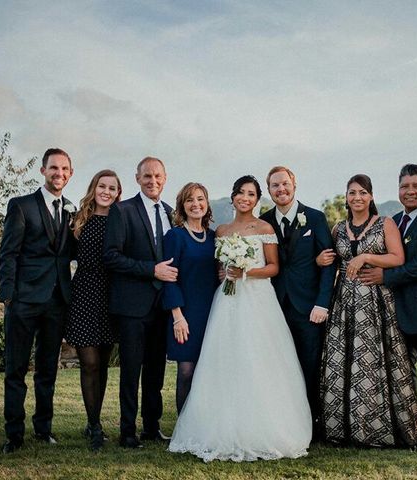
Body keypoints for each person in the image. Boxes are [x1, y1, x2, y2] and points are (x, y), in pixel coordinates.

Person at [169, 175, 312, 462]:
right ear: (233, 196)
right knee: (224, 360)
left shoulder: (264, 227)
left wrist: (245, 272)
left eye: (251, 194)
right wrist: (226, 273)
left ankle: (262, 426)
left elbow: (273, 267)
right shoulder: (220, 231)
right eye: (240, 193)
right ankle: (219, 424)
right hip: (227, 300)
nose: (244, 198)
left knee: (258, 360)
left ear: (258, 200)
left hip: (258, 301)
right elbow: (218, 268)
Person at [320, 173, 417, 447]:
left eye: (362, 192)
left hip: (378, 302)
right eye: (352, 192)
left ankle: (377, 430)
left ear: (371, 196)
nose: (357, 197)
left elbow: (398, 258)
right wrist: (320, 259)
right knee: (343, 362)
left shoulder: (384, 224)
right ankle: (343, 430)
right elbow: (332, 260)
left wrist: (366, 256)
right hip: (344, 303)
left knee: (374, 362)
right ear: (346, 197)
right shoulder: (338, 229)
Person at [357, 164, 417, 450]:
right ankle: (405, 427)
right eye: (405, 186)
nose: (410, 191)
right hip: (392, 310)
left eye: (416, 186)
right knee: (399, 372)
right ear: (398, 190)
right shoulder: (393, 221)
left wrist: (386, 276)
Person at [0, 148, 75, 454]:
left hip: (57, 301)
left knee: (48, 370)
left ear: (70, 173)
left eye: (65, 169)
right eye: (54, 168)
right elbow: (8, 254)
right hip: (24, 301)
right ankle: (14, 435)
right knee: (15, 369)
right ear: (43, 171)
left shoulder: (70, 211)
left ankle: (43, 429)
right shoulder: (21, 206)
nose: (59, 173)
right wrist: (8, 296)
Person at [103, 157, 177, 449]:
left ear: (165, 177)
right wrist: (150, 269)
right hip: (132, 307)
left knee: (156, 371)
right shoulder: (122, 211)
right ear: (137, 178)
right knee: (131, 371)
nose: (152, 181)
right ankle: (127, 431)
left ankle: (151, 426)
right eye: (147, 176)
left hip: (162, 306)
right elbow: (111, 256)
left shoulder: (172, 214)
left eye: (157, 176)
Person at [259, 166, 336, 439]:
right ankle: (283, 420)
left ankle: (313, 425)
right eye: (274, 186)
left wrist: (322, 303)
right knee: (279, 366)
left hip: (308, 308)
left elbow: (329, 262)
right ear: (269, 191)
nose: (280, 189)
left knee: (310, 365)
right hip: (274, 306)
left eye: (284, 184)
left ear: (294, 184)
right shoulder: (264, 221)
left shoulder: (314, 218)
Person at [65, 169, 122, 451]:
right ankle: (95, 426)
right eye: (102, 186)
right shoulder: (78, 219)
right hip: (84, 293)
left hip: (112, 296)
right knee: (88, 362)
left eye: (112, 188)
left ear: (118, 193)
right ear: (94, 187)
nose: (106, 192)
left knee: (102, 363)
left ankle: (93, 421)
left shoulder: (120, 219)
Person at [161, 182, 219, 414]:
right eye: (189, 200)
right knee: (186, 370)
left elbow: (215, 274)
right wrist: (177, 316)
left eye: (200, 199)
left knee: (208, 371)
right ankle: (183, 425)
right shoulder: (175, 236)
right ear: (182, 207)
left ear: (207, 203)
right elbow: (169, 278)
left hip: (212, 312)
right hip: (185, 314)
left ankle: (204, 420)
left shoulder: (215, 237)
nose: (196, 204)